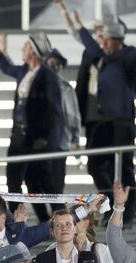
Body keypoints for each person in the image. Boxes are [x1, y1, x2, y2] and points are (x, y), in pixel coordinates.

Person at [77, 19, 136, 218]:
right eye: (100, 37)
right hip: (97, 122)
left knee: (124, 169)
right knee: (95, 165)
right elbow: (82, 86)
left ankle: (127, 212)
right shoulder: (94, 56)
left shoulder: (125, 57)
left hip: (121, 121)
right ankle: (111, 201)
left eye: (105, 38)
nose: (102, 42)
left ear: (115, 40)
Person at [0, 30, 63, 223]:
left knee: (43, 182)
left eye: (27, 46)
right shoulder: (24, 71)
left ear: (34, 52)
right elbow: (6, 67)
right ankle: (14, 221)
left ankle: (60, 219)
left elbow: (54, 111)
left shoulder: (48, 76)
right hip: (19, 136)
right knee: (13, 180)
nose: (23, 48)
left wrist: (47, 140)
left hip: (37, 139)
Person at [46, 48, 82, 215]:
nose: (53, 67)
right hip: (45, 139)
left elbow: (73, 115)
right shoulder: (41, 84)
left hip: (60, 139)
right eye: (50, 63)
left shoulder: (65, 88)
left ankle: (59, 214)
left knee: (56, 180)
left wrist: (75, 138)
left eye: (56, 64)